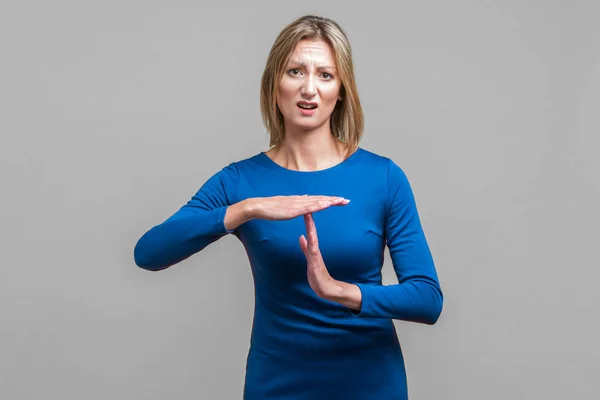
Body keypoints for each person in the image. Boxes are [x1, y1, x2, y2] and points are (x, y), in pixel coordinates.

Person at [134, 14, 443, 400]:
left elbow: (428, 299)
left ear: (342, 90)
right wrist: (243, 211)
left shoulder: (382, 177)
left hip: (369, 383)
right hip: (277, 384)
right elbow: (148, 252)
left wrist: (340, 291)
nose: (309, 89)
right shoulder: (240, 182)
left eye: (325, 75)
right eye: (296, 71)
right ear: (274, 83)